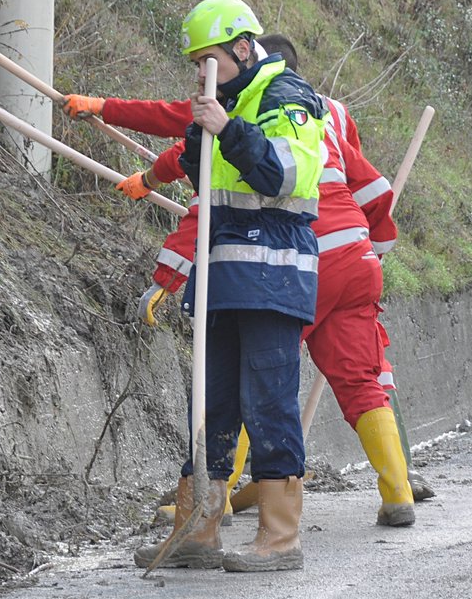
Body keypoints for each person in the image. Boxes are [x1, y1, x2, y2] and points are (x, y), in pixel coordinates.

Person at [67, 35, 425, 530]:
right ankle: (397, 491)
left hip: (292, 262)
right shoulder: (327, 113)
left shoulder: (251, 112)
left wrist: (166, 275)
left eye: (206, 62)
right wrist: (376, 247)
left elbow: (202, 201)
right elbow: (374, 187)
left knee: (247, 379)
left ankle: (209, 504)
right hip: (357, 258)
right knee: (362, 379)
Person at [118, 0, 326, 573]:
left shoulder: (288, 99)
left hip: (273, 274)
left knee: (268, 402)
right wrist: (193, 138)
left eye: (209, 58)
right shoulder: (223, 100)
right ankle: (198, 528)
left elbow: (286, 176)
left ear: (241, 47)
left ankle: (280, 539)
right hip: (221, 275)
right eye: (195, 63)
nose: (202, 72)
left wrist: (228, 127)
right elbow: (197, 169)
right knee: (209, 402)